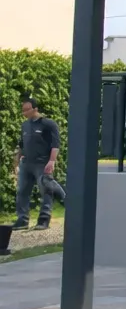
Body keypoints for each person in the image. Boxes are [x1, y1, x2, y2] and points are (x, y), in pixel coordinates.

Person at [14, 96, 63, 231]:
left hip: (42, 163)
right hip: (26, 164)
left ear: (35, 109)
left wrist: (52, 161)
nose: (24, 113)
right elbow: (21, 145)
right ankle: (22, 220)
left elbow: (55, 144)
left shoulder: (48, 124)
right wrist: (17, 163)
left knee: (46, 191)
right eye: (23, 110)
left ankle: (43, 220)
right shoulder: (25, 125)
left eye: (27, 110)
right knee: (22, 191)